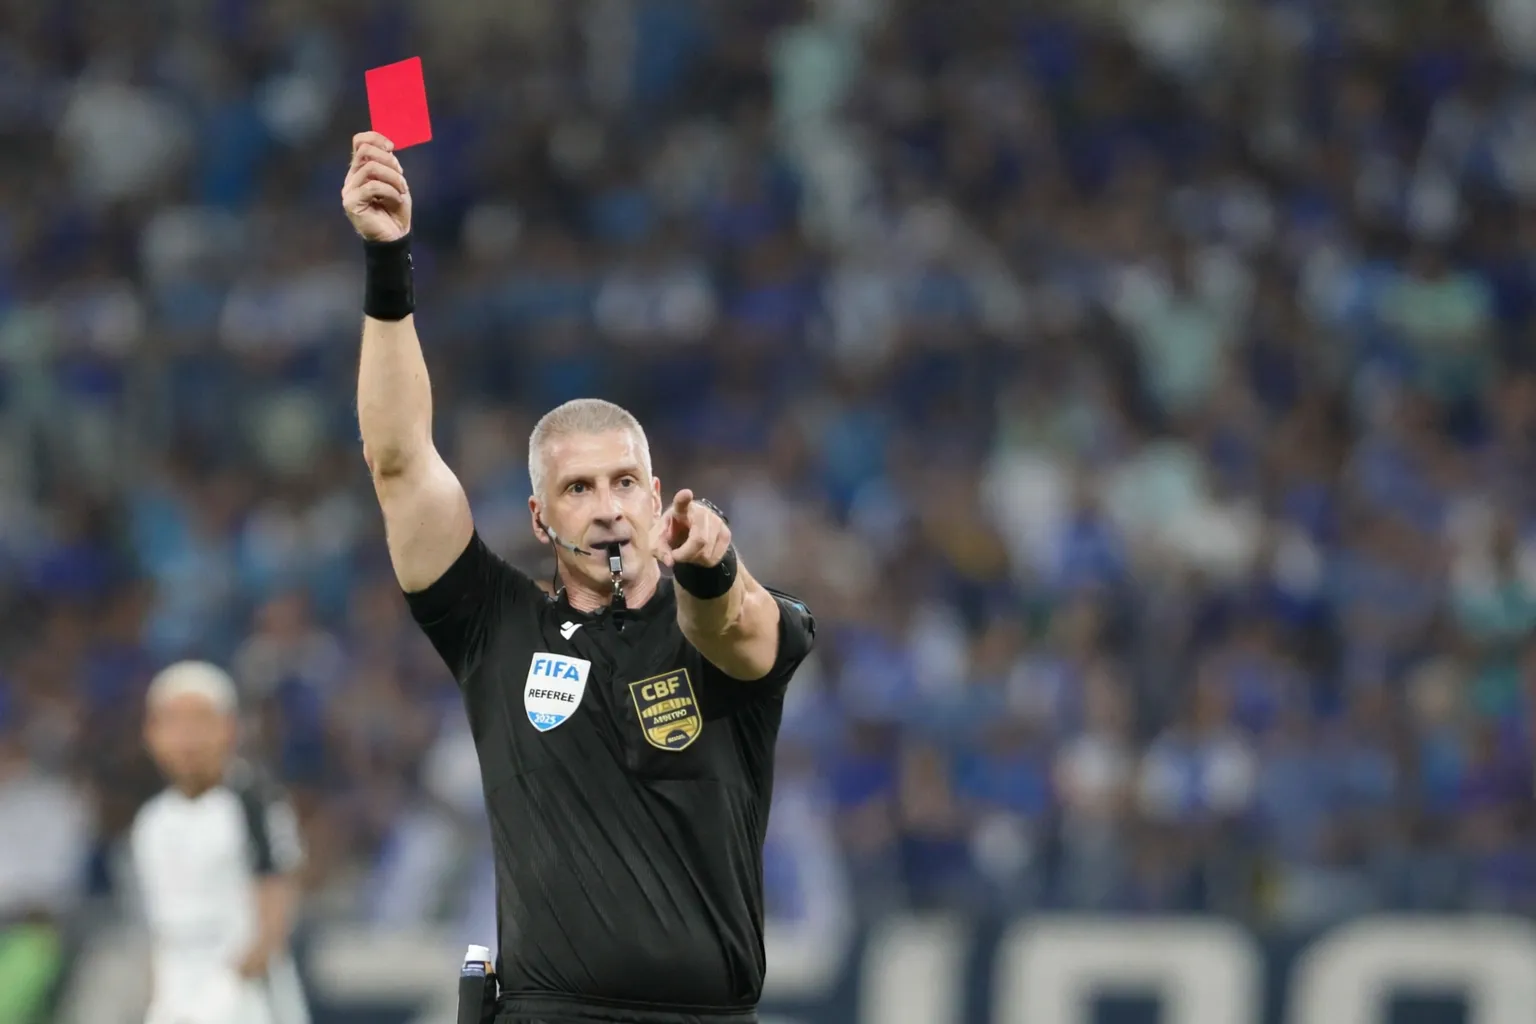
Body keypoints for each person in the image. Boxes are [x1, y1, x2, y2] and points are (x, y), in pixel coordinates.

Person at [342, 130, 817, 1024]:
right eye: (578, 487)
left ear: (655, 492)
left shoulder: (714, 616)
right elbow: (399, 461)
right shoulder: (494, 627)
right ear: (540, 517)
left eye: (624, 481)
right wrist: (387, 265)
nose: (606, 506)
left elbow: (743, 633)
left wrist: (713, 574)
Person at [130, 661, 309, 1024]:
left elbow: (276, 902)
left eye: (201, 721)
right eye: (173, 722)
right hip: (175, 991)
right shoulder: (151, 822)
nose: (187, 737)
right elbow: (156, 925)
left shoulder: (254, 804)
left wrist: (233, 987)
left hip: (244, 994)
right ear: (152, 732)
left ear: (229, 728)